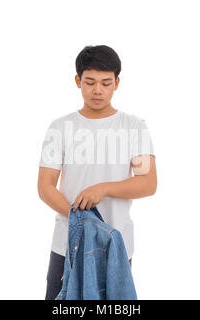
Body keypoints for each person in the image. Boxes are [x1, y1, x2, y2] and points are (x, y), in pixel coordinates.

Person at [38, 45, 157, 300]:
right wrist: (83, 221)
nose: (98, 90)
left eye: (105, 82)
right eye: (90, 82)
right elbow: (45, 187)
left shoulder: (134, 127)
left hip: (116, 246)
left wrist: (103, 188)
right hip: (67, 244)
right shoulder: (60, 127)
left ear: (117, 82)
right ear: (78, 81)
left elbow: (148, 183)